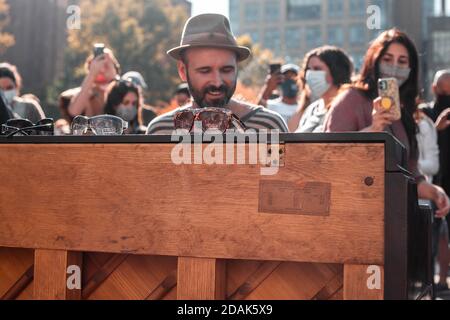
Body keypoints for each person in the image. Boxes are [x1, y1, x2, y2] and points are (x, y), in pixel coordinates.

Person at [324, 29, 450, 218]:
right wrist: (373, 130)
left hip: (394, 219)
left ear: (411, 68)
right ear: (374, 60)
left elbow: (409, 175)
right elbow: (326, 156)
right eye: (387, 59)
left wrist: (434, 192)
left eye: (402, 61)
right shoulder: (351, 99)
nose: (394, 67)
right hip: (352, 217)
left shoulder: (405, 111)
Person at [146, 14, 288, 135]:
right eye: (205, 71)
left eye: (226, 70)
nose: (217, 82)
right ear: (183, 71)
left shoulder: (269, 127)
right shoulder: (161, 130)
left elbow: (283, 167)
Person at [292, 46, 353, 133]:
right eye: (308, 69)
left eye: (317, 69)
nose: (310, 74)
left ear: (336, 72)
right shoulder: (312, 109)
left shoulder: (348, 108)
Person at [67, 47, 120, 118]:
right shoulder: (87, 91)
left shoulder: (118, 88)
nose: (102, 70)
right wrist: (92, 75)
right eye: (99, 64)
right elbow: (74, 111)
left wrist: (113, 77)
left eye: (106, 65)